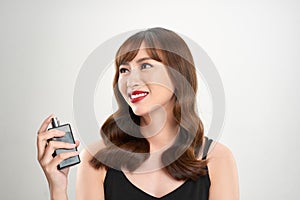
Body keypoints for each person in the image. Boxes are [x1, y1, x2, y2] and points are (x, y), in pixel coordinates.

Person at [37, 27, 239, 200]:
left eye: (145, 65)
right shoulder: (97, 160)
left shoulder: (217, 158)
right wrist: (58, 188)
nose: (131, 80)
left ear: (178, 75)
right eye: (124, 70)